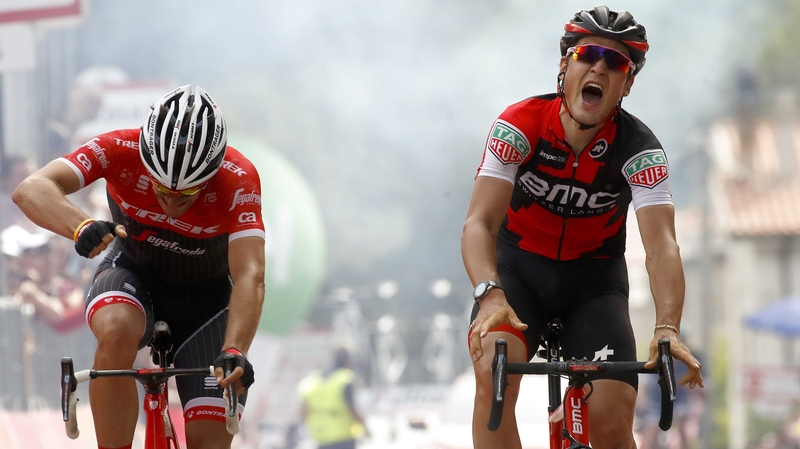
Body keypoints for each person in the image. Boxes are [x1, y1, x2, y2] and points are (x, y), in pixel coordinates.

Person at [461, 6, 704, 449]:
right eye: (587, 54)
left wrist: (667, 327)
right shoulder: (519, 125)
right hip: (516, 275)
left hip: (594, 284)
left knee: (611, 426)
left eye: (615, 63)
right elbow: (479, 222)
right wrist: (489, 292)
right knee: (492, 374)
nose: (599, 67)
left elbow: (662, 247)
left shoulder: (640, 150)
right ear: (564, 65)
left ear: (627, 84)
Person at [13, 84, 266, 449]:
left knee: (208, 442)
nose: (170, 201)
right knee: (115, 331)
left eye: (187, 194)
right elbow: (32, 188)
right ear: (145, 158)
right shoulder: (119, 147)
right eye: (160, 187)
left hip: (207, 303)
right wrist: (80, 225)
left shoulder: (239, 178)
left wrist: (235, 349)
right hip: (132, 275)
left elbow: (250, 274)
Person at [298, 347, 368, 449]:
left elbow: (304, 411)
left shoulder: (314, 380)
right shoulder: (345, 378)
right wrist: (365, 428)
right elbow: (352, 409)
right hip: (343, 438)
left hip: (321, 437)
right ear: (347, 359)